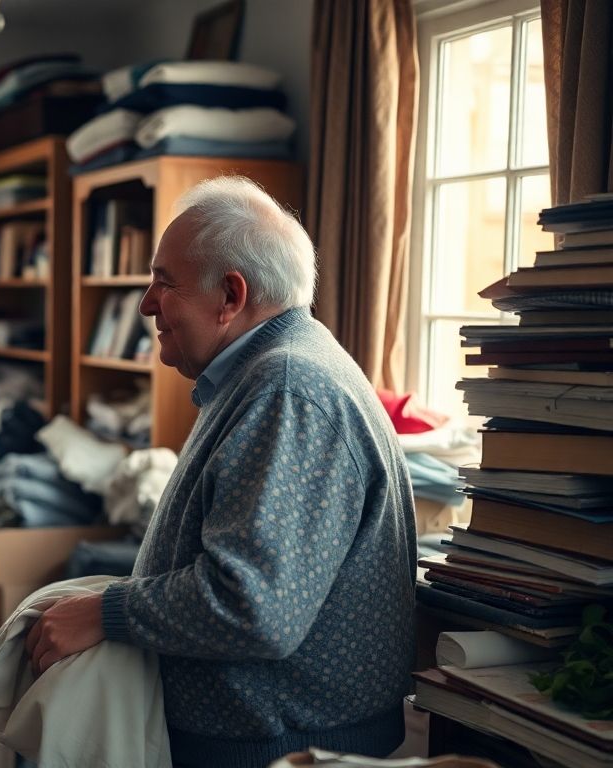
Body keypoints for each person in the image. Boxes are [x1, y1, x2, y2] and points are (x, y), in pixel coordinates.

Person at [24, 177, 416, 766]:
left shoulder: (288, 389)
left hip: (280, 749)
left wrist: (109, 612)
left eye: (164, 282)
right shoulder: (268, 373)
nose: (145, 303)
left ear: (230, 296)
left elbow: (255, 607)